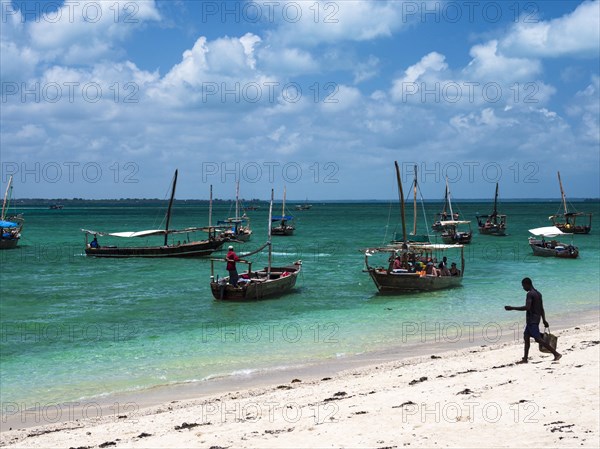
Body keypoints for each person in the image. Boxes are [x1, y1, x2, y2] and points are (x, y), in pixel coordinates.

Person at [504, 277, 562, 363]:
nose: (523, 288)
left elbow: (527, 307)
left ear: (527, 284)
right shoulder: (538, 294)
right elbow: (541, 308)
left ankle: (556, 354)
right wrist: (544, 320)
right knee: (526, 337)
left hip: (532, 321)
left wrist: (512, 308)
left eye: (523, 286)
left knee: (538, 339)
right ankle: (525, 359)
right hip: (535, 319)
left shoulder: (530, 294)